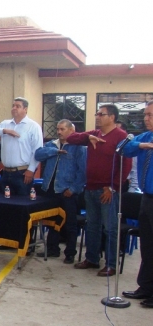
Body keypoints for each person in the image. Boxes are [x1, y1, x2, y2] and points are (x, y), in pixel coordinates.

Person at [67, 104, 132, 277]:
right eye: (96, 113)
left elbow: (125, 167)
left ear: (112, 117)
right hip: (91, 188)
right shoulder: (95, 134)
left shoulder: (121, 137)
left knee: (110, 228)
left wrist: (112, 187)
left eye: (101, 114)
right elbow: (72, 138)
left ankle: (111, 264)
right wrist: (88, 138)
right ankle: (92, 259)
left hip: (108, 190)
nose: (97, 117)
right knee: (93, 226)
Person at [34, 119, 86, 264]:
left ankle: (70, 252)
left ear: (71, 131)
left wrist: (74, 189)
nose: (59, 132)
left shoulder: (78, 147)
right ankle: (52, 249)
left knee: (70, 223)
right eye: (58, 129)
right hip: (50, 189)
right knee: (52, 221)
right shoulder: (52, 144)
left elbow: (82, 172)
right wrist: (55, 151)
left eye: (62, 129)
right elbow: (38, 155)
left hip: (67, 190)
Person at [122, 100, 153, 307]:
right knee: (147, 246)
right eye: (145, 115)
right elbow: (124, 148)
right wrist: (142, 145)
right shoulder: (145, 137)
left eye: (150, 115)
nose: (146, 119)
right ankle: (146, 286)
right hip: (147, 197)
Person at [0, 97, 43, 196]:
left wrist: (31, 170)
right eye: (13, 106)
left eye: (18, 106)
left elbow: (37, 151)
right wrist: (5, 131)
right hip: (6, 172)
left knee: (22, 203)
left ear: (25, 109)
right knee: (6, 204)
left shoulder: (33, 126)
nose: (14, 108)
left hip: (23, 173)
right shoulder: (5, 124)